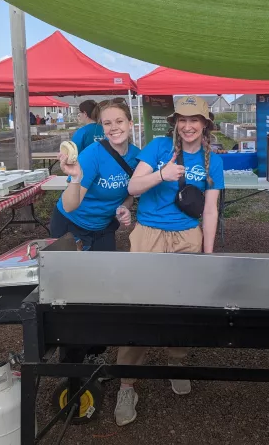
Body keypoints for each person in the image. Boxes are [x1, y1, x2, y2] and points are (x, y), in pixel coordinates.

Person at [114, 95, 224, 427]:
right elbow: (133, 186)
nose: (188, 126)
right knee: (140, 310)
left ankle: (177, 363)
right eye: (182, 119)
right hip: (148, 235)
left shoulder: (211, 160)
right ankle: (126, 383)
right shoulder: (159, 148)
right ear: (175, 122)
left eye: (195, 120)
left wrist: (208, 253)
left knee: (182, 309)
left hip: (188, 238)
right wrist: (162, 174)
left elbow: (210, 209)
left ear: (205, 124)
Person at [50, 99, 139, 252]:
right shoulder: (93, 155)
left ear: (130, 124)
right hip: (71, 225)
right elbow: (69, 206)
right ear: (102, 127)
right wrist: (76, 178)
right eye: (107, 123)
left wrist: (124, 207)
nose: (114, 128)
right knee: (70, 275)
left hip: (103, 227)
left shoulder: (137, 157)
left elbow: (130, 192)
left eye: (119, 121)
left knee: (104, 273)